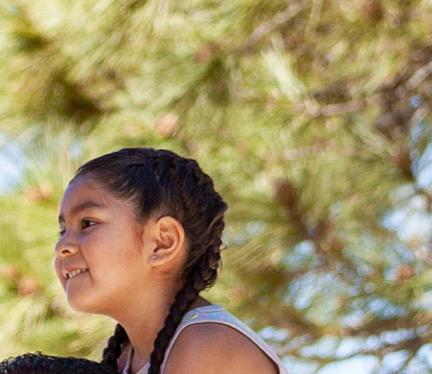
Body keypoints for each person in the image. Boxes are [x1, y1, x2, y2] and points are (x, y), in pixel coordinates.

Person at [49, 147, 285, 373]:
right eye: (62, 232)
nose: (62, 247)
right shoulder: (127, 359)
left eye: (87, 223)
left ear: (163, 242)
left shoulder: (207, 345)